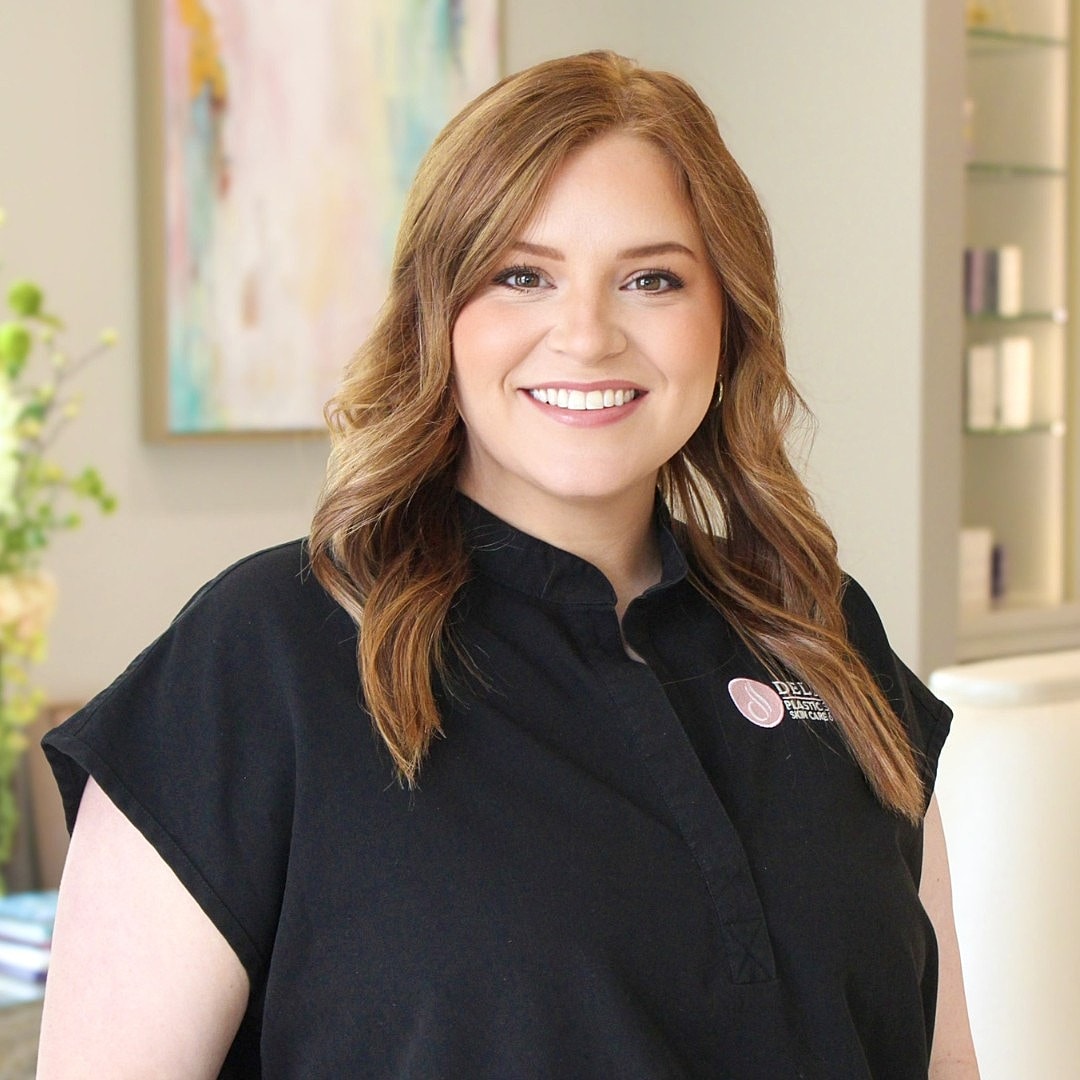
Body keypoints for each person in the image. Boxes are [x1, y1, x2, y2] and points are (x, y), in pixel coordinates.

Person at [36, 51, 979, 1078]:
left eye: (652, 278)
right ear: (439, 314)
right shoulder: (263, 654)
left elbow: (946, 1062)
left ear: (729, 316)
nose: (586, 334)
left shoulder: (825, 635)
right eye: (521, 276)